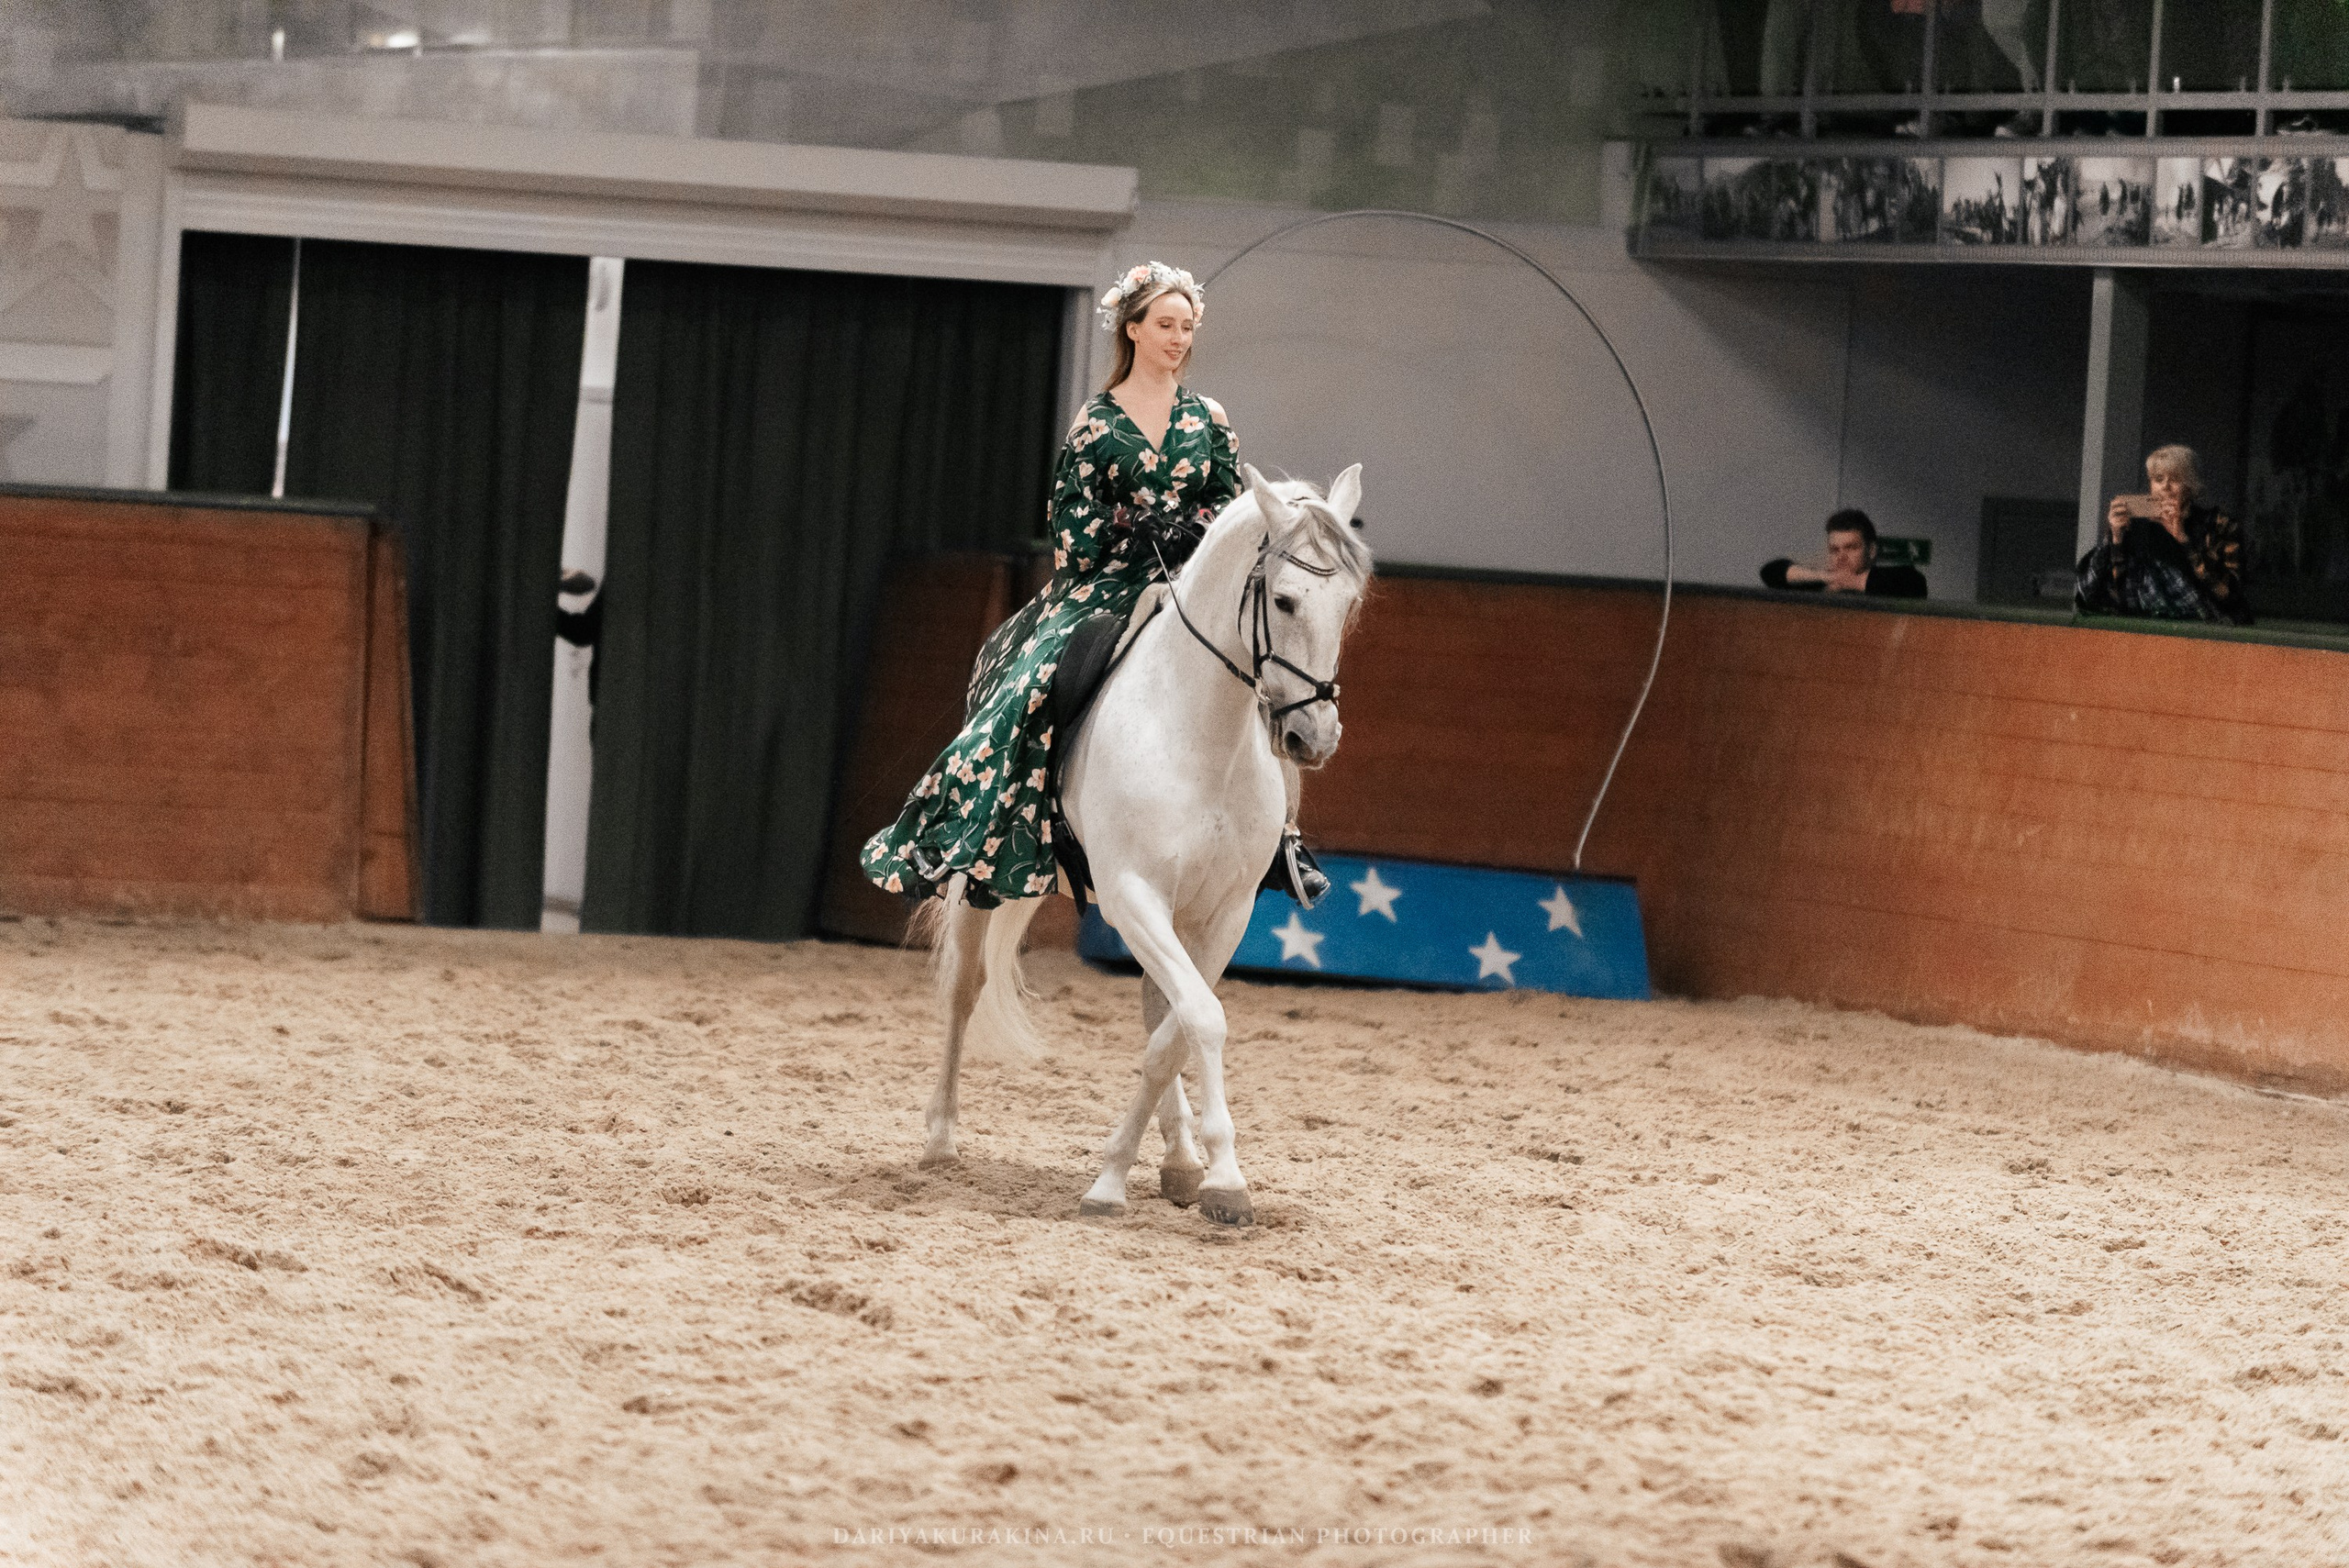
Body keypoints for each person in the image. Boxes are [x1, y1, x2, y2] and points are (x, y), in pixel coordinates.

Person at [860, 261, 1328, 912]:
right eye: (1165, 325)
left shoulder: (1209, 418)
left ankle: (1282, 837)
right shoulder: (1096, 420)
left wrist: (1195, 525)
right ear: (1132, 329)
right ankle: (992, 823)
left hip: (1192, 581)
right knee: (1030, 683)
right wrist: (1124, 523)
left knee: (1265, 678)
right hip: (1105, 582)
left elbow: (1231, 508)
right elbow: (1068, 514)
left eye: (1186, 327)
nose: (1178, 338)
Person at [2075, 445, 2251, 625]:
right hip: (2146, 625)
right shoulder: (2135, 526)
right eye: (2159, 479)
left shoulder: (2219, 524)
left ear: (2191, 486)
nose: (2165, 486)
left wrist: (2183, 540)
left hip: (2206, 626)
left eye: (2175, 479)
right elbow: (2110, 594)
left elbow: (2229, 593)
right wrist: (2116, 538)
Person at [1760, 508, 1928, 597]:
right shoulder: (1822, 582)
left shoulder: (1892, 580)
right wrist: (1824, 577)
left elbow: (1915, 583)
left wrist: (1852, 582)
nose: (1841, 557)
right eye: (1834, 550)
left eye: (1851, 548)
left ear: (1871, 551)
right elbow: (1771, 572)